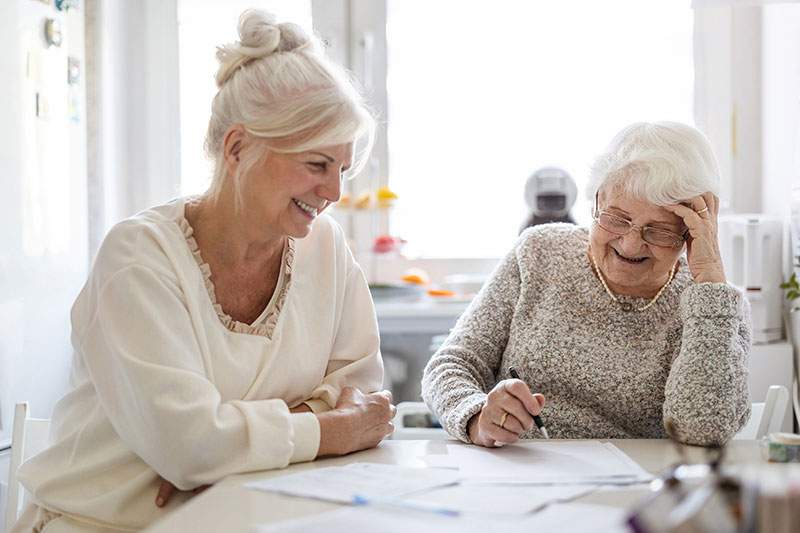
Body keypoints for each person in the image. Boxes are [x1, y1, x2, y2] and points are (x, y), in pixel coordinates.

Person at [13, 9, 394, 532]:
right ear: (238, 148)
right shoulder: (138, 257)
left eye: (343, 169)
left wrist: (228, 453)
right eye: (316, 165)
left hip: (248, 515)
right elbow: (189, 446)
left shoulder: (324, 247)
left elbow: (361, 392)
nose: (335, 193)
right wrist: (325, 431)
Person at [422, 121, 751, 448]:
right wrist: (476, 417)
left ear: (690, 233)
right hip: (519, 472)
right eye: (616, 218)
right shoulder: (539, 252)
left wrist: (709, 280)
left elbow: (702, 430)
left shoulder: (713, 306)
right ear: (596, 200)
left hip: (637, 486)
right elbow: (452, 363)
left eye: (659, 230)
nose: (631, 244)